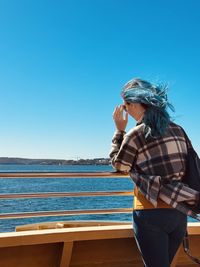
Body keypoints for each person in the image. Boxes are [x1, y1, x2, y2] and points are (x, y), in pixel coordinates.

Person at [109, 78, 199, 267]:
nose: (126, 110)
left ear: (136, 103)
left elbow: (120, 165)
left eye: (126, 105)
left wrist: (119, 131)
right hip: (178, 211)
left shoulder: (136, 134)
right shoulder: (178, 130)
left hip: (150, 213)